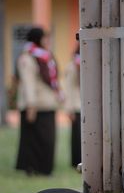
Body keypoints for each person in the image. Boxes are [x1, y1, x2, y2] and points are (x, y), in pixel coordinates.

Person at [15, 27, 61, 175]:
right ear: (37, 39)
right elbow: (28, 83)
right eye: (44, 38)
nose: (47, 41)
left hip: (47, 104)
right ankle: (32, 168)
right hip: (35, 105)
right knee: (32, 140)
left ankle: (44, 168)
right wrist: (31, 105)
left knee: (46, 140)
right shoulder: (27, 57)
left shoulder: (45, 56)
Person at [64, 45, 81, 168]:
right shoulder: (72, 66)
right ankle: (76, 162)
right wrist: (69, 108)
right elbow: (68, 88)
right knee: (77, 137)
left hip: (90, 108)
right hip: (76, 106)